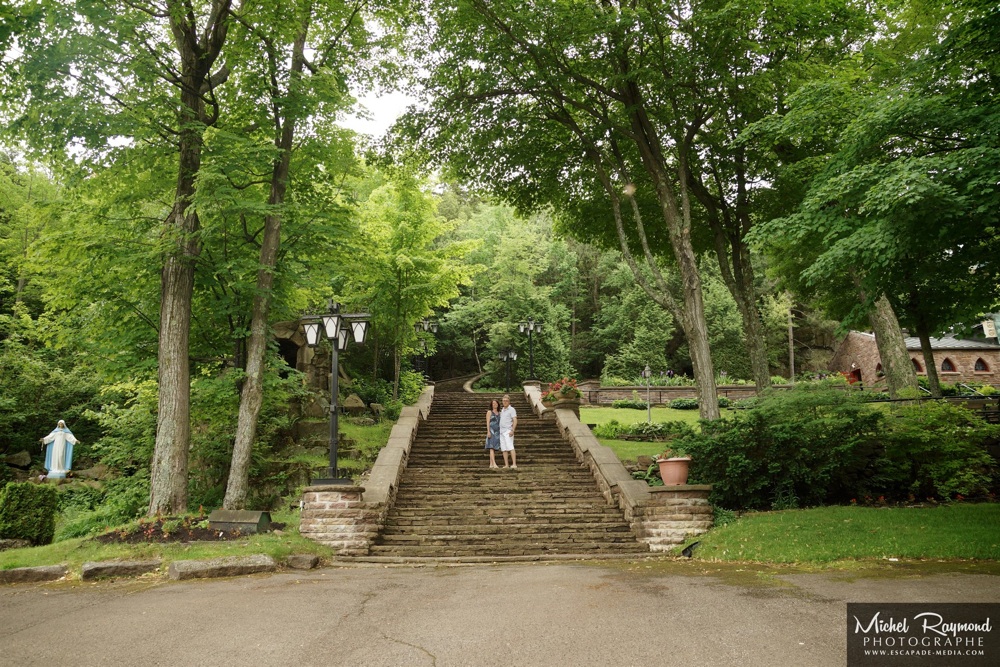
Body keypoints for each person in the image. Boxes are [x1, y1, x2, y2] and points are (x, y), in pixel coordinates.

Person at [498, 394, 518, 469]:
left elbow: (515, 420)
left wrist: (512, 430)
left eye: (506, 401)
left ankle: (514, 464)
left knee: (510, 447)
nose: (505, 402)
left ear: (509, 402)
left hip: (508, 430)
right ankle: (506, 464)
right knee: (504, 448)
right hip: (501, 431)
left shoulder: (512, 409)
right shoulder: (502, 410)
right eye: (504, 401)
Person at [484, 398, 502, 469]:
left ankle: (491, 464)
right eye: (493, 403)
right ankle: (494, 463)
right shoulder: (489, 412)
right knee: (491, 447)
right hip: (491, 431)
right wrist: (488, 431)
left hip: (497, 431)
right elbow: (488, 422)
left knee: (494, 448)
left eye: (496, 403)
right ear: (491, 405)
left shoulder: (500, 413)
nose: (495, 405)